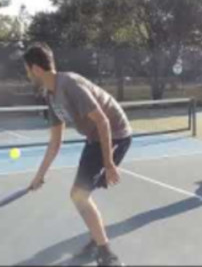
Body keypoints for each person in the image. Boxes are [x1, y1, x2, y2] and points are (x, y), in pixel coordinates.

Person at [23, 42, 132, 266]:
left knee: (78, 194)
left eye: (26, 70)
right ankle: (96, 238)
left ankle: (107, 255)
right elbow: (55, 142)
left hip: (115, 134)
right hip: (94, 138)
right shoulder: (51, 97)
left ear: (35, 69)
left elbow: (102, 121)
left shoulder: (69, 84)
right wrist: (39, 175)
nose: (26, 75)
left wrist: (109, 163)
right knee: (80, 194)